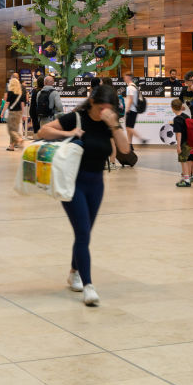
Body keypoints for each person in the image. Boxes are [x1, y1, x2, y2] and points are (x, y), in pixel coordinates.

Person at [37, 84, 131, 306]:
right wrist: (68, 133)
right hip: (72, 183)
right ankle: (88, 285)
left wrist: (114, 124)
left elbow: (125, 151)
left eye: (109, 108)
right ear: (92, 103)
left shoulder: (110, 124)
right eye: (101, 108)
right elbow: (43, 131)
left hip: (96, 183)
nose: (104, 112)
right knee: (82, 232)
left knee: (85, 231)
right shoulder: (76, 118)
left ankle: (73, 271)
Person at [171, 98, 193, 188]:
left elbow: (178, 134)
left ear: (172, 108)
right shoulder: (186, 116)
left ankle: (186, 180)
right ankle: (188, 178)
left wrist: (178, 146)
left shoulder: (176, 119)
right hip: (190, 141)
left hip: (184, 143)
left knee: (183, 161)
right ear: (181, 107)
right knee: (188, 161)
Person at [5, 75, 26, 151]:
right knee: (15, 129)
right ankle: (12, 146)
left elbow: (7, 103)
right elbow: (22, 104)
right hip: (19, 112)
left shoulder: (10, 92)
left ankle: (19, 138)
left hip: (12, 112)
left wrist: (2, 112)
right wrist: (23, 114)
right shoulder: (21, 93)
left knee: (10, 130)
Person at [123, 73, 140, 147]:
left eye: (125, 77)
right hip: (134, 110)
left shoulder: (130, 87)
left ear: (129, 78)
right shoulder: (134, 86)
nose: (124, 79)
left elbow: (131, 99)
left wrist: (127, 109)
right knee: (130, 128)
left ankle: (140, 138)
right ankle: (130, 144)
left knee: (128, 128)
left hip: (131, 110)